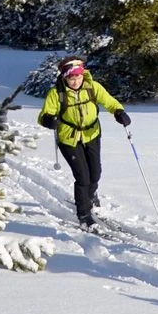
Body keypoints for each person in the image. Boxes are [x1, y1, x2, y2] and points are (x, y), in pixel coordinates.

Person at [37, 57, 128, 229]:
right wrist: (49, 120)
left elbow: (109, 101)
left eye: (78, 77)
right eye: (72, 78)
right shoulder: (57, 93)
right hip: (69, 139)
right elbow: (43, 115)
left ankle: (90, 196)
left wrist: (118, 112)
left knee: (96, 173)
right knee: (83, 177)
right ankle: (84, 215)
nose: (76, 81)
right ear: (65, 78)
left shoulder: (92, 87)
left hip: (91, 134)